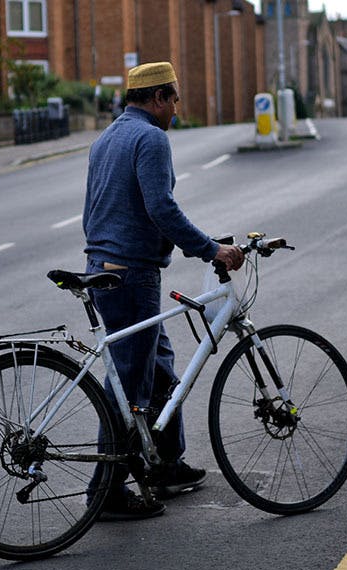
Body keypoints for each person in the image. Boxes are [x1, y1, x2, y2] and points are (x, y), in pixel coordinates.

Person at [83, 62, 244, 520]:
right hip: (130, 276)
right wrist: (212, 248)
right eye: (174, 98)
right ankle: (106, 492)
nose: (176, 107)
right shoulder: (151, 138)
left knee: (158, 370)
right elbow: (162, 209)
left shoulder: (108, 137)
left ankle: (166, 465)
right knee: (128, 389)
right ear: (157, 98)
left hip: (104, 268)